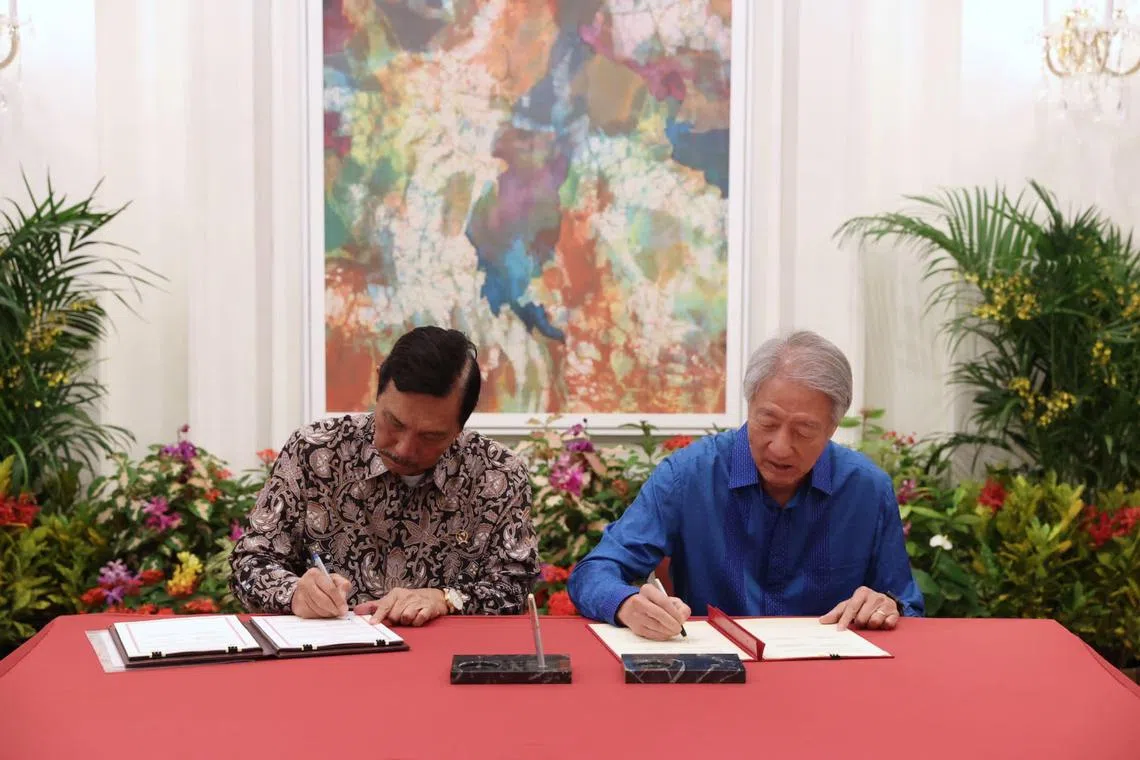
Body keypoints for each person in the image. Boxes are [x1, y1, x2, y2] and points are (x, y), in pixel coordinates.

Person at [568, 330, 923, 640]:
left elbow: (905, 604)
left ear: (833, 427)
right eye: (767, 422)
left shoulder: (867, 489)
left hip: (829, 680)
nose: (781, 447)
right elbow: (595, 571)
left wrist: (886, 605)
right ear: (750, 404)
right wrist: (626, 604)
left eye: (803, 431)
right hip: (717, 679)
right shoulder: (688, 475)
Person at [230, 326, 539, 626]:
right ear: (377, 391)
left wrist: (446, 599)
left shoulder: (497, 474)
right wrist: (295, 593)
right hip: (329, 657)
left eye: (431, 436)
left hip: (443, 661)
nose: (404, 449)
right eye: (394, 422)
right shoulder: (314, 452)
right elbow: (249, 563)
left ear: (460, 427)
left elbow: (514, 586)